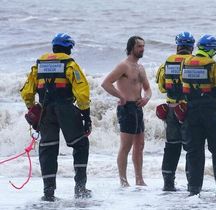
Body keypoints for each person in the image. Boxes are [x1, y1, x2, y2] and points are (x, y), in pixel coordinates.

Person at [20, 33, 92, 201]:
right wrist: (86, 115)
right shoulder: (69, 63)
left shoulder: (38, 65)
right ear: (68, 48)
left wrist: (33, 110)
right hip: (65, 108)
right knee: (81, 145)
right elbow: (82, 93)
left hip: (45, 111)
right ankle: (80, 189)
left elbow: (27, 92)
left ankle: (48, 192)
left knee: (48, 149)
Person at [181, 34, 216, 198]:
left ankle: (194, 190)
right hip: (210, 111)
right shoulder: (215, 66)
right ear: (212, 49)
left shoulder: (186, 63)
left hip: (191, 111)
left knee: (194, 151)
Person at [101, 36, 151, 187]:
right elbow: (106, 83)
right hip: (126, 108)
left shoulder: (140, 68)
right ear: (131, 48)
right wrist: (120, 95)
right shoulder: (124, 66)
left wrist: (146, 98)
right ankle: (123, 180)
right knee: (126, 146)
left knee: (140, 145)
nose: (142, 49)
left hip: (137, 108)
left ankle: (139, 179)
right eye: (139, 46)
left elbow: (148, 88)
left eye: (143, 46)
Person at [155, 32, 195, 191]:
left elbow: (162, 86)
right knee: (191, 148)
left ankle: (168, 184)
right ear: (192, 47)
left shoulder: (167, 63)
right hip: (189, 110)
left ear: (178, 46)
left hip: (171, 110)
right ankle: (191, 184)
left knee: (171, 147)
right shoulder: (194, 62)